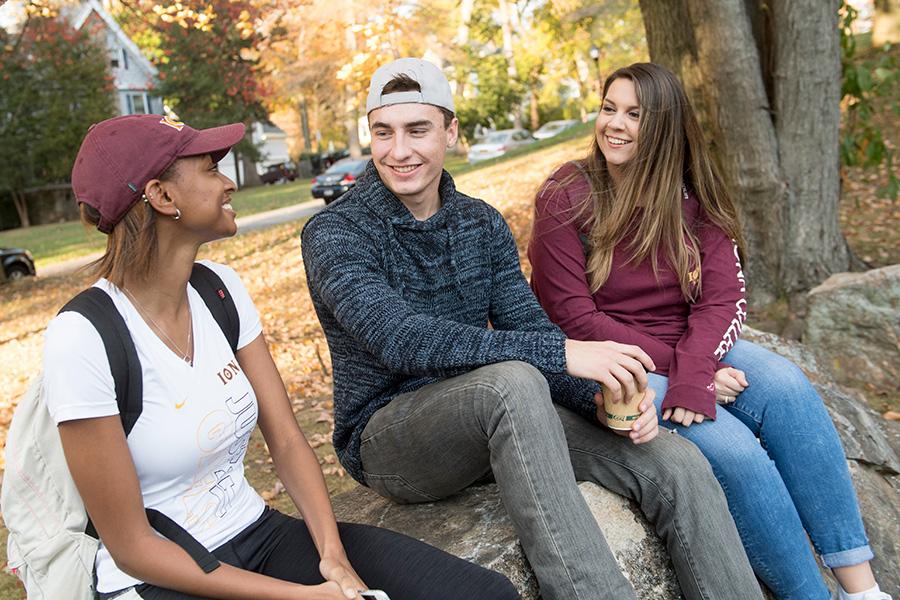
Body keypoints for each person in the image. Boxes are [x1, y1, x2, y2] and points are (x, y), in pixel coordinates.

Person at [301, 57, 764, 600]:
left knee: (674, 462)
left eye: (417, 130)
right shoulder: (334, 233)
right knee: (514, 380)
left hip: (503, 418)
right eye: (384, 133)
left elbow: (525, 322)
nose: (399, 151)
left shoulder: (481, 222)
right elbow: (400, 338)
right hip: (392, 437)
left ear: (451, 132)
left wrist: (598, 397)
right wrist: (566, 354)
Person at [46, 113, 521, 600]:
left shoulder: (221, 292)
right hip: (162, 577)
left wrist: (332, 557)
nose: (228, 182)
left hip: (260, 535)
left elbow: (289, 441)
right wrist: (304, 596)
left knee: (484, 593)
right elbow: (132, 548)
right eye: (210, 170)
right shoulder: (82, 337)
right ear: (163, 196)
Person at [528, 62, 891, 600]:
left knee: (788, 386)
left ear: (667, 126)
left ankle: (863, 590)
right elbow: (573, 318)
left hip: (691, 346)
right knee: (736, 449)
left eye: (636, 115)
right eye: (610, 109)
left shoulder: (691, 193)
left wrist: (697, 365)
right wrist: (689, 371)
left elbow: (723, 296)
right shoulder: (567, 194)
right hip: (612, 360)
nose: (616, 125)